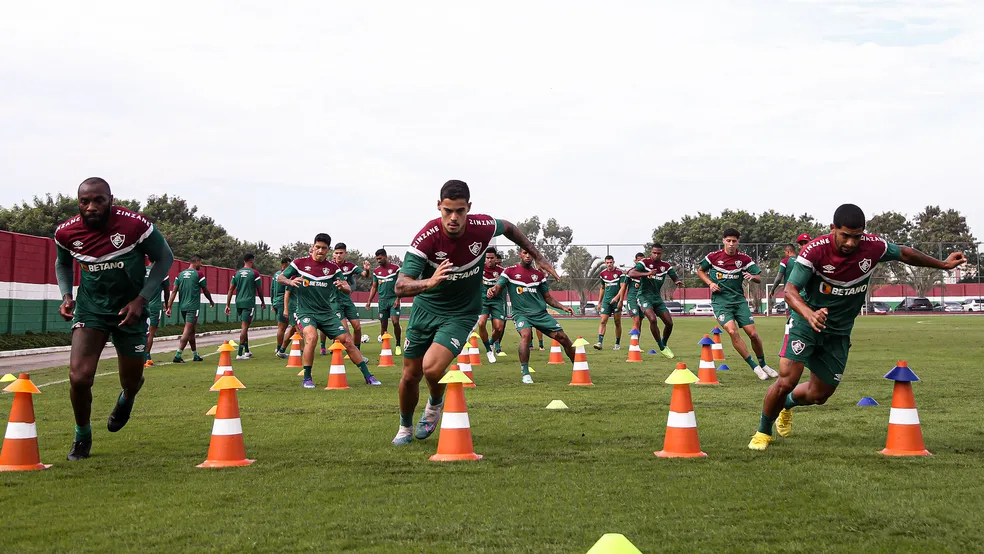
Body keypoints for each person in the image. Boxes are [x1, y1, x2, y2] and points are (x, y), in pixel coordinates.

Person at [749, 204, 966, 450]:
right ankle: (763, 432)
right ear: (833, 229)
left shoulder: (874, 247)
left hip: (839, 331)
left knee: (820, 395)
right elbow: (790, 291)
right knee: (787, 379)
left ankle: (787, 405)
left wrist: (943, 264)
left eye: (857, 236)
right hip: (805, 323)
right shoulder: (813, 251)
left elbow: (905, 253)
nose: (851, 243)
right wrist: (809, 314)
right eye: (845, 235)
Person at [391, 180, 553, 445]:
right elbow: (400, 286)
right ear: (438, 207)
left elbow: (510, 227)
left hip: (462, 313)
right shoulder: (427, 238)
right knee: (410, 376)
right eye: (447, 211)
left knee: (431, 369)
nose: (453, 217)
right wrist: (429, 282)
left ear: (469, 208)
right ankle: (404, 427)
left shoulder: (482, 227)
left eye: (459, 210)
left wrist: (537, 255)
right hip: (425, 310)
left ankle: (434, 404)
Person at [54, 177, 174, 461]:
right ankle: (82, 435)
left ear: (111, 199)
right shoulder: (65, 232)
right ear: (78, 203)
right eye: (85, 201)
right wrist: (66, 296)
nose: (91, 207)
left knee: (131, 380)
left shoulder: (135, 226)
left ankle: (127, 399)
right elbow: (62, 262)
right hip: (90, 310)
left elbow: (165, 259)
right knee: (79, 378)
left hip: (129, 312)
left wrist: (141, 299)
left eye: (98, 200)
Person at [278, 234, 380, 388]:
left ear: (328, 250)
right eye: (317, 247)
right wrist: (290, 281)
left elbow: (347, 288)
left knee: (347, 340)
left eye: (323, 248)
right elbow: (280, 278)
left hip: (326, 313)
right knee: (311, 338)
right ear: (313, 247)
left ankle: (368, 376)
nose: (320, 250)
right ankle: (307, 378)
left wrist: (343, 287)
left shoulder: (332, 269)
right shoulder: (299, 263)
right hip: (305, 312)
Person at [697, 229, 777, 380]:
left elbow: (759, 277)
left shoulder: (744, 259)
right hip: (720, 302)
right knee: (733, 332)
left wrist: (752, 276)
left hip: (739, 301)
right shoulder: (713, 257)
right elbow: (700, 271)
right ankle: (755, 367)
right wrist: (710, 283)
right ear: (723, 241)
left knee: (753, 334)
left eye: (734, 241)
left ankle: (764, 364)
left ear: (738, 242)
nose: (731, 244)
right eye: (728, 240)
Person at [489, 248, 575, 383]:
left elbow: (548, 297)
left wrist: (563, 307)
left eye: (530, 253)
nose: (527, 255)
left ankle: (578, 366)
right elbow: (498, 288)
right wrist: (492, 291)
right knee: (526, 335)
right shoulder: (510, 272)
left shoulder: (539, 275)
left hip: (540, 314)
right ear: (520, 254)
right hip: (521, 314)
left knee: (563, 337)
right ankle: (525, 373)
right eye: (524, 253)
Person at [627, 244, 684, 358]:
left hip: (657, 298)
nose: (656, 255)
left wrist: (677, 281)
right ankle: (661, 347)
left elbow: (674, 276)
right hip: (643, 296)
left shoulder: (665, 266)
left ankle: (664, 343)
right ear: (651, 252)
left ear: (661, 253)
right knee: (652, 319)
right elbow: (631, 273)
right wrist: (647, 273)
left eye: (659, 253)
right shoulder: (644, 263)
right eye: (654, 253)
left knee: (669, 323)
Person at [166, 255, 215, 362]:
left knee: (191, 331)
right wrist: (211, 300)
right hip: (193, 307)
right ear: (196, 261)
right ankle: (178, 355)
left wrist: (168, 306)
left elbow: (173, 291)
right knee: (187, 331)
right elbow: (205, 290)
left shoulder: (180, 275)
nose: (201, 265)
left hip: (182, 307)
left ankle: (195, 355)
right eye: (200, 262)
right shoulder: (199, 274)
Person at [225, 253, 266, 360]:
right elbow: (259, 289)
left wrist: (227, 304)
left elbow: (230, 289)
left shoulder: (237, 273)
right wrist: (262, 301)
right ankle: (239, 353)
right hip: (248, 303)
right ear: (251, 261)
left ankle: (247, 350)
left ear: (244, 261)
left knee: (245, 326)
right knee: (244, 327)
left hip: (238, 302)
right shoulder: (255, 273)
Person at [364, 249, 402, 356]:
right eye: (377, 259)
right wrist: (369, 301)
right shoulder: (376, 271)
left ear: (386, 257)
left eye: (380, 258)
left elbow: (400, 284)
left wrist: (398, 299)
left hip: (393, 299)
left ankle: (398, 345)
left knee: (395, 322)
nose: (378, 260)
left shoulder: (395, 269)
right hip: (382, 301)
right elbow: (374, 287)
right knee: (383, 325)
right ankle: (385, 347)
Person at [328, 243, 365, 354]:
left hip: (347, 300)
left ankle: (357, 350)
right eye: (336, 253)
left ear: (345, 254)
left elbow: (364, 274)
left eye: (341, 253)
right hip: (334, 301)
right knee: (345, 331)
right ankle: (353, 353)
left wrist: (367, 270)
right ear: (333, 254)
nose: (338, 255)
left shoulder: (349, 266)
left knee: (357, 327)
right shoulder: (328, 266)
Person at [478, 247, 507, 363]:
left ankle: (490, 343)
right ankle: (488, 350)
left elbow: (505, 284)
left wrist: (495, 288)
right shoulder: (479, 269)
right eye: (487, 258)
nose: (489, 260)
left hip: (497, 301)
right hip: (483, 300)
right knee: (481, 323)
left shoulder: (502, 271)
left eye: (492, 258)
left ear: (496, 259)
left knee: (499, 328)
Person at [143, 257, 171, 368]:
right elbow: (167, 291)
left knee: (140, 331)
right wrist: (167, 304)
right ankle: (147, 358)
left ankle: (137, 357)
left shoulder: (141, 270)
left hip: (141, 305)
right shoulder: (162, 272)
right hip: (154, 307)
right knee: (150, 333)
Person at [594, 255, 626, 351]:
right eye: (607, 263)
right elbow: (602, 288)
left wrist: (618, 299)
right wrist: (599, 302)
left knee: (617, 322)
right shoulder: (603, 274)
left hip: (616, 302)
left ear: (613, 262)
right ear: (605, 263)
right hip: (606, 302)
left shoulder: (620, 273)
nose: (609, 264)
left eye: (610, 262)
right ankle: (599, 342)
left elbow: (623, 288)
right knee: (603, 321)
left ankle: (617, 343)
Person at [271, 256, 295, 358]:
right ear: (285, 264)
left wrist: (272, 303)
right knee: (283, 327)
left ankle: (280, 348)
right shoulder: (285, 276)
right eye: (289, 264)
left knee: (285, 326)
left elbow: (272, 289)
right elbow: (287, 291)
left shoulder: (276, 274)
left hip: (276, 301)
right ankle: (279, 349)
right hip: (282, 302)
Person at [625, 252, 646, 333]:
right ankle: (633, 344)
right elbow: (623, 287)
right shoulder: (631, 272)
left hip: (642, 299)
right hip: (632, 298)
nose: (641, 262)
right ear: (635, 261)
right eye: (639, 260)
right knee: (636, 320)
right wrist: (620, 300)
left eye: (642, 261)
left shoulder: (647, 273)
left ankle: (636, 343)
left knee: (640, 322)